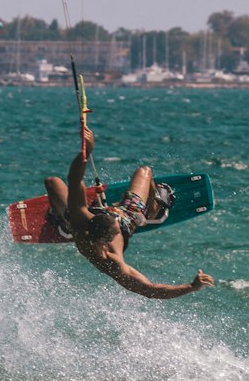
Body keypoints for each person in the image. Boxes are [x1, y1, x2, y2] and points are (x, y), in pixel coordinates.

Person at [44, 125, 214, 300]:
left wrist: (86, 152)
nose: (116, 221)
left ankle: (63, 218)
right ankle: (154, 211)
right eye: (115, 227)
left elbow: (74, 178)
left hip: (104, 212)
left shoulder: (82, 217)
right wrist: (191, 287)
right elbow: (150, 290)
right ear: (108, 238)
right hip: (128, 216)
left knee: (52, 182)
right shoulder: (110, 261)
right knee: (145, 173)